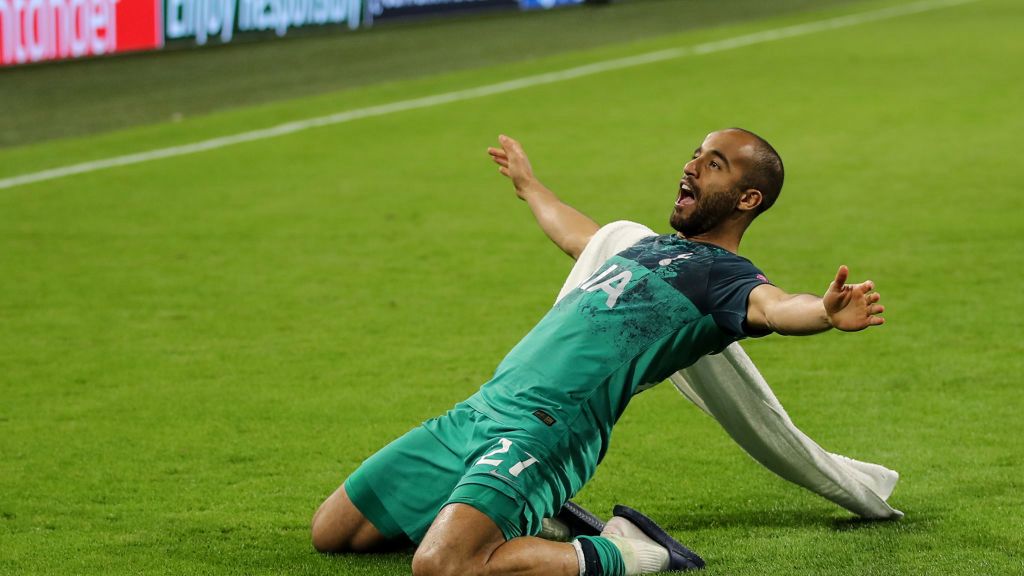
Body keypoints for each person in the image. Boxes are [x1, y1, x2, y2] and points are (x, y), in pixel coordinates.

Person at [310, 128, 886, 575]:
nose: (691, 165)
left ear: (747, 197)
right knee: (333, 533)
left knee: (442, 565)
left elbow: (777, 306)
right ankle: (531, 518)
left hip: (546, 432)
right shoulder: (643, 248)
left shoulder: (726, 279)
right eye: (695, 153)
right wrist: (531, 187)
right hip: (482, 410)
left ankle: (630, 552)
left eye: (714, 164)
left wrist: (825, 314)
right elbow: (577, 236)